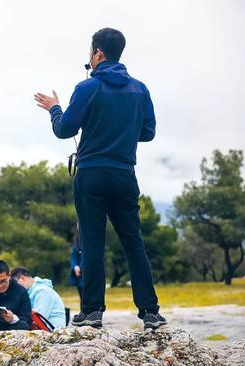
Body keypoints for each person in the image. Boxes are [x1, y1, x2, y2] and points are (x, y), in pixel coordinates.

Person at [34, 28, 166, 329]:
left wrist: (55, 108)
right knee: (134, 243)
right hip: (124, 174)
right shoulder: (140, 89)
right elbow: (148, 132)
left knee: (92, 244)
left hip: (91, 175)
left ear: (98, 54)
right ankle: (150, 312)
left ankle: (92, 312)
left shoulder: (87, 88)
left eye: (90, 53)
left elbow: (64, 129)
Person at [69, 235, 84, 309]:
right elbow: (73, 258)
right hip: (80, 275)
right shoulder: (77, 246)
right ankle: (83, 312)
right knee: (82, 296)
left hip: (88, 273)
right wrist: (75, 266)